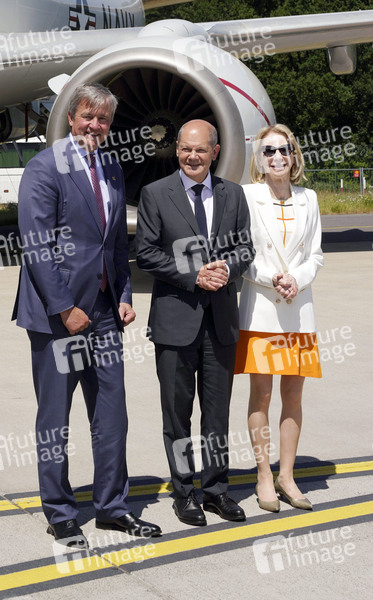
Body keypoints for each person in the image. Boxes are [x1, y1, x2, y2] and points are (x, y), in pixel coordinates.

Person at [12, 82, 161, 545]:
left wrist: (124, 295)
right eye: (87, 117)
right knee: (55, 419)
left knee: (112, 416)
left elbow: (114, 243)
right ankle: (59, 512)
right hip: (58, 317)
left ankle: (112, 508)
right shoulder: (43, 168)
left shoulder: (111, 167)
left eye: (103, 119)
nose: (94, 125)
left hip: (104, 314)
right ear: (71, 118)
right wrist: (65, 309)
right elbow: (36, 247)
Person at [135, 119, 255, 526]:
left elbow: (245, 248)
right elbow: (146, 253)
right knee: (177, 416)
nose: (192, 156)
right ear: (177, 150)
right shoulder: (155, 193)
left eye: (200, 150)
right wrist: (194, 275)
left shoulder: (233, 194)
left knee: (217, 415)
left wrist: (227, 269)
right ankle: (184, 492)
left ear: (214, 152)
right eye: (185, 149)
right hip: (175, 322)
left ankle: (217, 491)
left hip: (220, 321)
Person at [235, 123, 324, 512]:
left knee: (293, 395)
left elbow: (316, 255)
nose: (276, 157)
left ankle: (287, 475)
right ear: (259, 158)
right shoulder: (247, 196)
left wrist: (297, 280)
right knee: (262, 394)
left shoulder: (310, 198)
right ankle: (264, 476)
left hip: (298, 309)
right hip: (262, 308)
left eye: (283, 149)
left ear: (294, 155)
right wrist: (272, 278)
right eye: (268, 151)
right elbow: (242, 252)